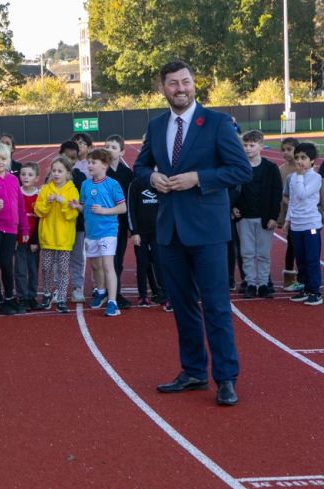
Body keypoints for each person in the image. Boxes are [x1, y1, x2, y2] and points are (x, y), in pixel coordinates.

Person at [133, 60, 252, 407]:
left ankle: (226, 377)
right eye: (173, 83)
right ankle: (194, 371)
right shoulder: (156, 126)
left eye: (185, 81)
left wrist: (199, 178)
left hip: (208, 232)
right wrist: (151, 178)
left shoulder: (216, 122)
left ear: (193, 84)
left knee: (215, 306)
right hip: (169, 231)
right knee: (183, 306)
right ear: (163, 89)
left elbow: (240, 169)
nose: (180, 88)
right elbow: (140, 166)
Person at [69, 149, 126, 317]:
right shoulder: (86, 184)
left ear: (104, 165)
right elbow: (84, 207)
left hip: (108, 230)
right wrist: (76, 206)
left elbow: (122, 207)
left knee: (108, 265)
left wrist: (104, 211)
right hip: (91, 232)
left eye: (93, 162)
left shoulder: (112, 184)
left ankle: (113, 302)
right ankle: (101, 291)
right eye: (89, 162)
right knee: (95, 266)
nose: (90, 165)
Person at [233, 130, 282, 299]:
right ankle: (251, 283)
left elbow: (276, 194)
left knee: (263, 253)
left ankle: (263, 283)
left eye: (252, 145)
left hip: (264, 217)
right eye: (245, 145)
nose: (248, 149)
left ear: (261, 146)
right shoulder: (238, 167)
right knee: (246, 252)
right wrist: (233, 207)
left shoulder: (270, 168)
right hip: (244, 217)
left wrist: (274, 217)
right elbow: (232, 189)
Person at [0, 142, 29, 315]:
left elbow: (21, 206)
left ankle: (10, 297)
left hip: (11, 229)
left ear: (8, 160)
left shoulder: (13, 180)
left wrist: (24, 229)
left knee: (7, 263)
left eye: (3, 158)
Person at [33, 156, 79, 313]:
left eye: (60, 171)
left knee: (63, 269)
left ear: (67, 173)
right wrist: (47, 203)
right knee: (46, 267)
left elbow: (72, 215)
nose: (57, 174)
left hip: (64, 238)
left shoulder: (72, 190)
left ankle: (61, 298)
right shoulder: (45, 189)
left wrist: (63, 202)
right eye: (54, 171)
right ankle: (46, 295)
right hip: (48, 237)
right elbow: (38, 210)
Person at [284, 142, 322, 306]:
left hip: (310, 224)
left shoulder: (316, 178)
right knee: (301, 259)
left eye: (304, 158)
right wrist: (287, 220)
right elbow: (292, 200)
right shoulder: (292, 177)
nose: (299, 161)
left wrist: (299, 176)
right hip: (296, 225)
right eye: (297, 157)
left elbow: (303, 194)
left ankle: (315, 291)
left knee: (312, 258)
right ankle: (305, 288)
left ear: (312, 161)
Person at [103, 134, 134, 309]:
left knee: (118, 259)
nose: (109, 150)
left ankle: (116, 292)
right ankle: (106, 291)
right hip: (104, 223)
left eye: (113, 147)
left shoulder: (127, 173)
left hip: (121, 223)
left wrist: (131, 226)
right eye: (106, 146)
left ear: (122, 151)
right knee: (106, 260)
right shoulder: (101, 172)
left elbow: (130, 200)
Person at [127, 175, 166, 307]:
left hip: (158, 232)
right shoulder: (136, 183)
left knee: (160, 263)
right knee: (142, 264)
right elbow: (130, 208)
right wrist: (134, 231)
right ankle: (143, 295)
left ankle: (164, 294)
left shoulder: (163, 182)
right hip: (141, 233)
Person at [277, 137, 304, 292]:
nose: (286, 153)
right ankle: (288, 277)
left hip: (305, 215)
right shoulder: (281, 170)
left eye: (289, 149)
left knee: (304, 246)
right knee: (291, 245)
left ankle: (303, 276)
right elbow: (281, 194)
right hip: (290, 215)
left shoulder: (304, 169)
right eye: (283, 150)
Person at [15, 162, 41, 312]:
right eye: (23, 174)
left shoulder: (39, 196)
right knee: (20, 269)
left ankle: (31, 296)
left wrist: (35, 240)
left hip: (33, 241)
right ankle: (22, 297)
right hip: (19, 240)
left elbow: (40, 220)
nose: (26, 177)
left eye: (30, 175)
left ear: (36, 178)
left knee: (33, 268)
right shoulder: (17, 192)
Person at [69, 134, 91, 303]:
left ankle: (78, 286)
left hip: (81, 220)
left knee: (78, 255)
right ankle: (57, 288)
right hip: (61, 221)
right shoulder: (59, 170)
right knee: (58, 258)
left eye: (82, 143)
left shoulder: (86, 171)